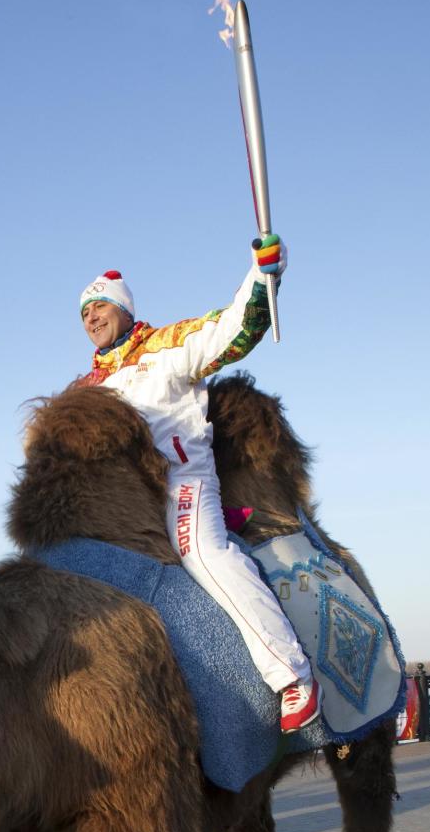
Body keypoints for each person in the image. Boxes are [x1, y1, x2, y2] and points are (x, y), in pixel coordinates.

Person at [77, 238, 320, 734]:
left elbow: (236, 327)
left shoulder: (169, 347)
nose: (91, 317)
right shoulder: (87, 389)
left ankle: (292, 676)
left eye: (100, 305)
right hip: (126, 506)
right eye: (84, 312)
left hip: (182, 485)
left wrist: (263, 273)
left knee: (203, 555)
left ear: (124, 309)